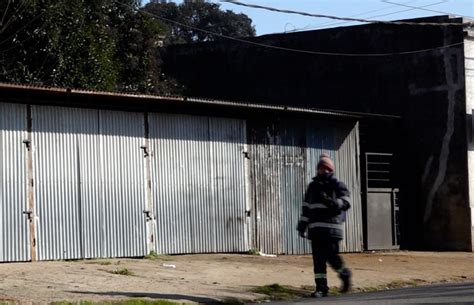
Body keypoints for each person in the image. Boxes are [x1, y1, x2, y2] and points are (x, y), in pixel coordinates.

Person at [297, 153, 352, 298]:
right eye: (321, 168)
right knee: (318, 261)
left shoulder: (337, 184)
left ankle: (344, 274)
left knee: (332, 257)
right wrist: (302, 225)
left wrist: (334, 203)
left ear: (330, 169)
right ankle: (321, 288)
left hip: (332, 230)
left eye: (326, 168)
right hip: (315, 230)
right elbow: (306, 208)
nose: (323, 171)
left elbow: (346, 201)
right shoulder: (312, 187)